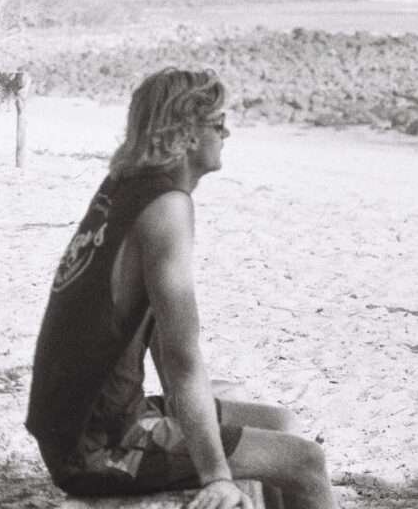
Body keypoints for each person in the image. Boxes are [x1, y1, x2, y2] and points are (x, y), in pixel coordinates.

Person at [26, 67, 335, 509]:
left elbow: (145, 325)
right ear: (187, 134)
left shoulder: (124, 188)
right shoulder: (167, 208)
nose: (227, 131)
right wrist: (216, 475)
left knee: (281, 422)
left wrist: (187, 417)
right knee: (305, 461)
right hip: (99, 444)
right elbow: (183, 359)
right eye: (217, 123)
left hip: (79, 425)